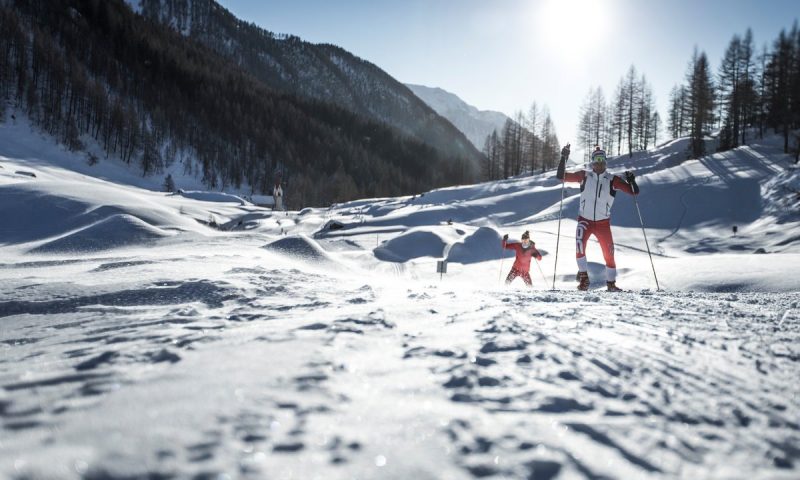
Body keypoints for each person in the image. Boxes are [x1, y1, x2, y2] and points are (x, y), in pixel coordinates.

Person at [556, 145, 639, 292]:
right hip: (585, 220)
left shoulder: (612, 180)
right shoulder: (584, 176)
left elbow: (633, 192)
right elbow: (561, 176)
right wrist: (563, 158)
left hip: (603, 223)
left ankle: (611, 284)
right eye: (596, 161)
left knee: (609, 254)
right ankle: (584, 280)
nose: (599, 164)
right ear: (592, 163)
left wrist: (632, 181)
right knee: (580, 247)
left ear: (605, 163)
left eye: (602, 161)